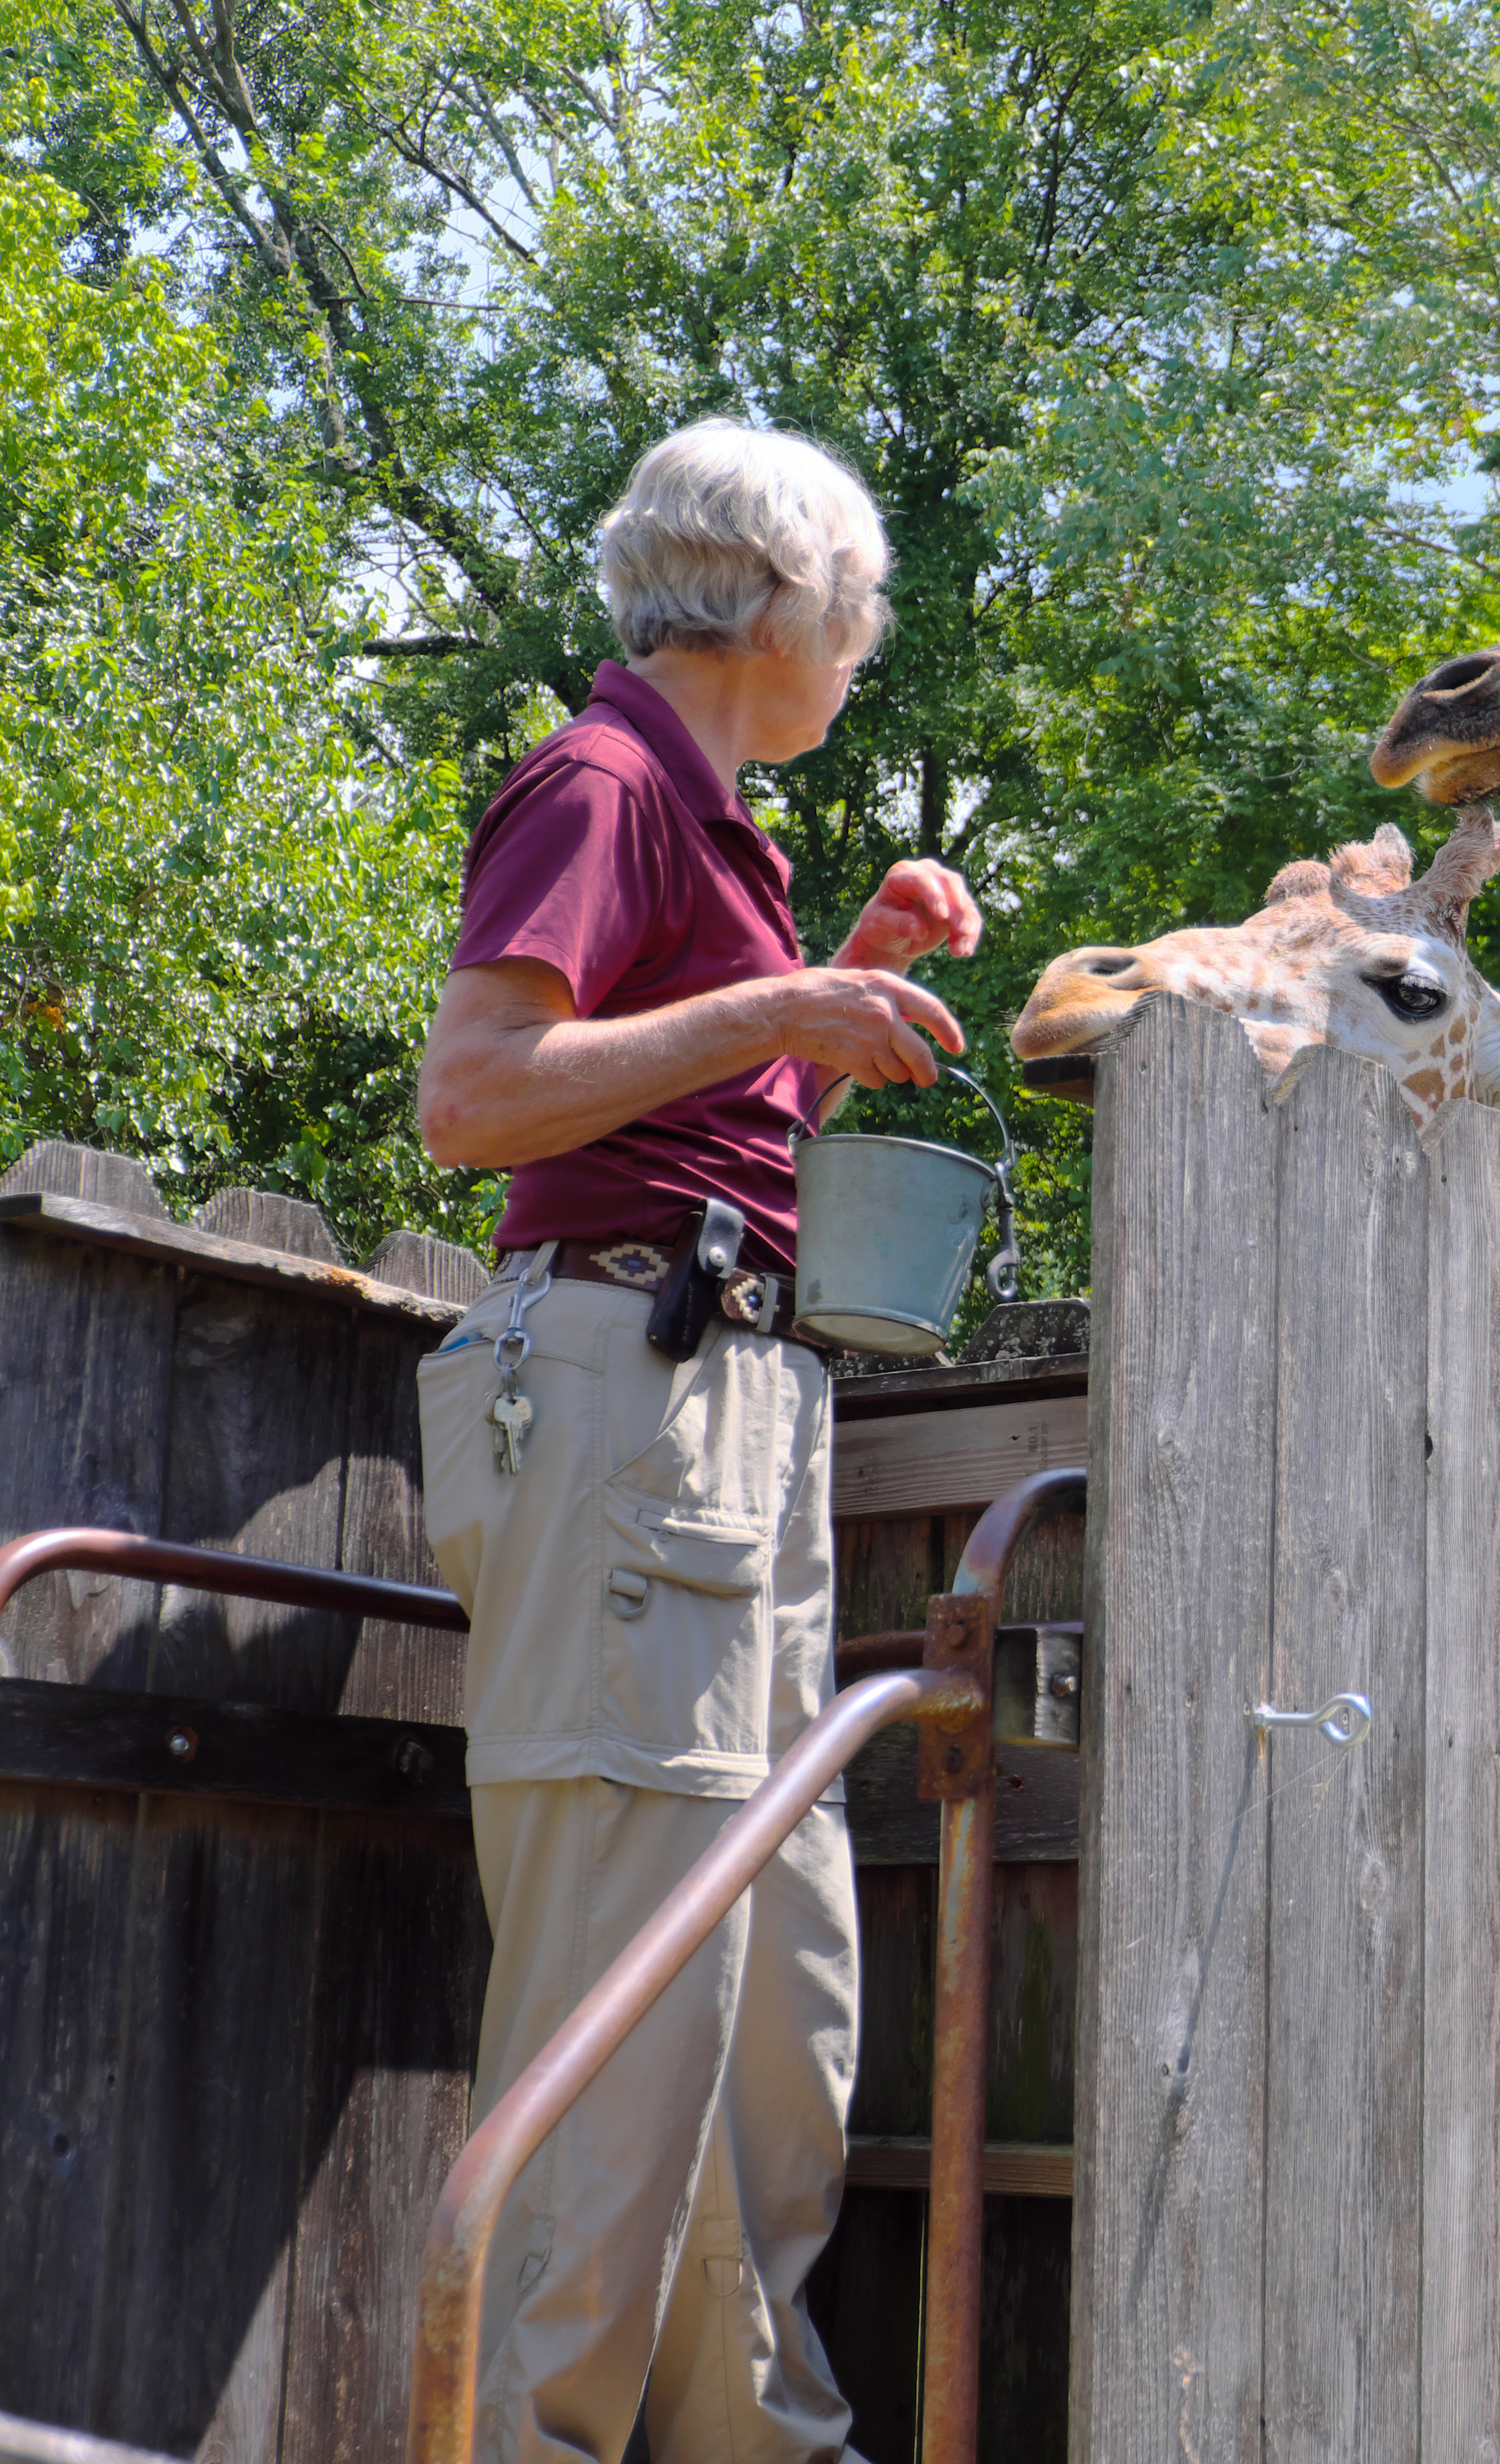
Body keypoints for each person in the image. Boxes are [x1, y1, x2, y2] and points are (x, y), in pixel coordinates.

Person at [411, 419, 980, 2464]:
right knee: (617, 2030)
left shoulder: (725, 829)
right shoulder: (606, 782)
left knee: (773, 2030)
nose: (870, 650)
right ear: (788, 604)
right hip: (622, 1407)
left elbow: (710, 1143)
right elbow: (475, 1101)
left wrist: (847, 989)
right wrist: (773, 1013)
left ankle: (763, 2445)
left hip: (736, 1410)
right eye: (868, 612)